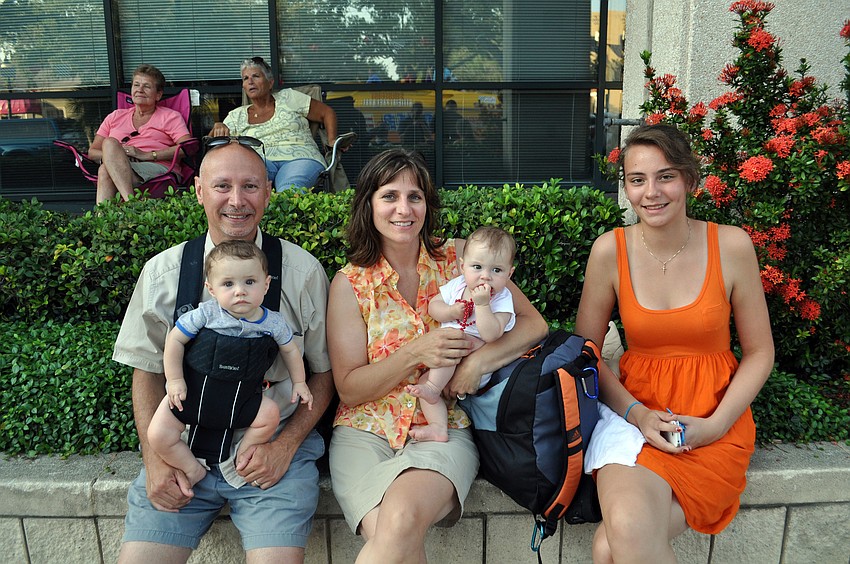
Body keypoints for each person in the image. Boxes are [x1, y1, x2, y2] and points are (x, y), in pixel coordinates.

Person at [113, 137, 334, 563]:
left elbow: (324, 375)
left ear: (268, 192)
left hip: (270, 459)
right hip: (181, 452)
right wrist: (156, 458)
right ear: (198, 191)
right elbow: (148, 371)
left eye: (251, 186)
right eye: (222, 186)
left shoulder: (303, 271)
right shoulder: (164, 272)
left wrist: (285, 446)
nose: (237, 200)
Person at [327, 148, 548, 562]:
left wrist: (479, 362)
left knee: (401, 521)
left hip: (445, 427)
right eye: (389, 195)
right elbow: (350, 388)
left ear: (427, 205)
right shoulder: (350, 284)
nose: (403, 209)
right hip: (364, 432)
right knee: (397, 539)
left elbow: (534, 325)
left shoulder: (462, 259)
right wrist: (416, 352)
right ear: (368, 205)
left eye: (415, 196)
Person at [575, 124, 774, 563]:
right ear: (625, 187)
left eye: (665, 176)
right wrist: (638, 414)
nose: (652, 192)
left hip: (714, 423)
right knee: (623, 529)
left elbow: (761, 352)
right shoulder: (610, 250)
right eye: (637, 179)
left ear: (689, 179)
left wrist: (715, 426)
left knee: (611, 547)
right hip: (634, 420)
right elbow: (585, 354)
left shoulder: (731, 245)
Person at [148, 240, 314, 488]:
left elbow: (290, 350)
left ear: (266, 284)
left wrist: (300, 382)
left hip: (242, 400)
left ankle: (241, 456)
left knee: (270, 415)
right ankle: (192, 469)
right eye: (228, 284)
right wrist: (175, 380)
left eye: (250, 282)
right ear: (211, 289)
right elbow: (175, 342)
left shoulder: (273, 323)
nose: (240, 291)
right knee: (158, 435)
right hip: (194, 394)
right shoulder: (204, 314)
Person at [406, 226, 517, 442]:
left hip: (477, 361)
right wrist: (449, 311)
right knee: (425, 382)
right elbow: (433, 306)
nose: (485, 276)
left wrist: (482, 305)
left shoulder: (502, 298)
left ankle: (432, 387)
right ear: (462, 267)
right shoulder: (457, 286)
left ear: (509, 273)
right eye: (477, 267)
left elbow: (492, 334)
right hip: (448, 360)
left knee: (450, 342)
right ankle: (438, 427)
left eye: (497, 270)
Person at [209, 56, 340, 192]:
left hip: (300, 158)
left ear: (270, 82)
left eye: (256, 76)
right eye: (245, 78)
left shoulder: (289, 97)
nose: (250, 82)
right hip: (259, 161)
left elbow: (327, 113)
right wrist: (218, 126)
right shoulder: (236, 115)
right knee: (248, 187)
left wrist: (332, 140)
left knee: (289, 189)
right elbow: (211, 142)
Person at [88, 64, 192, 204]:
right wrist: (117, 156)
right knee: (109, 146)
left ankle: (107, 218)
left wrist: (146, 155)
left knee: (105, 168)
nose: (140, 90)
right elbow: (93, 152)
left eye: (147, 86)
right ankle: (131, 202)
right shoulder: (115, 116)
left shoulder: (170, 117)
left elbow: (187, 147)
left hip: (158, 168)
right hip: (121, 167)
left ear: (158, 95)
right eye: (136, 85)